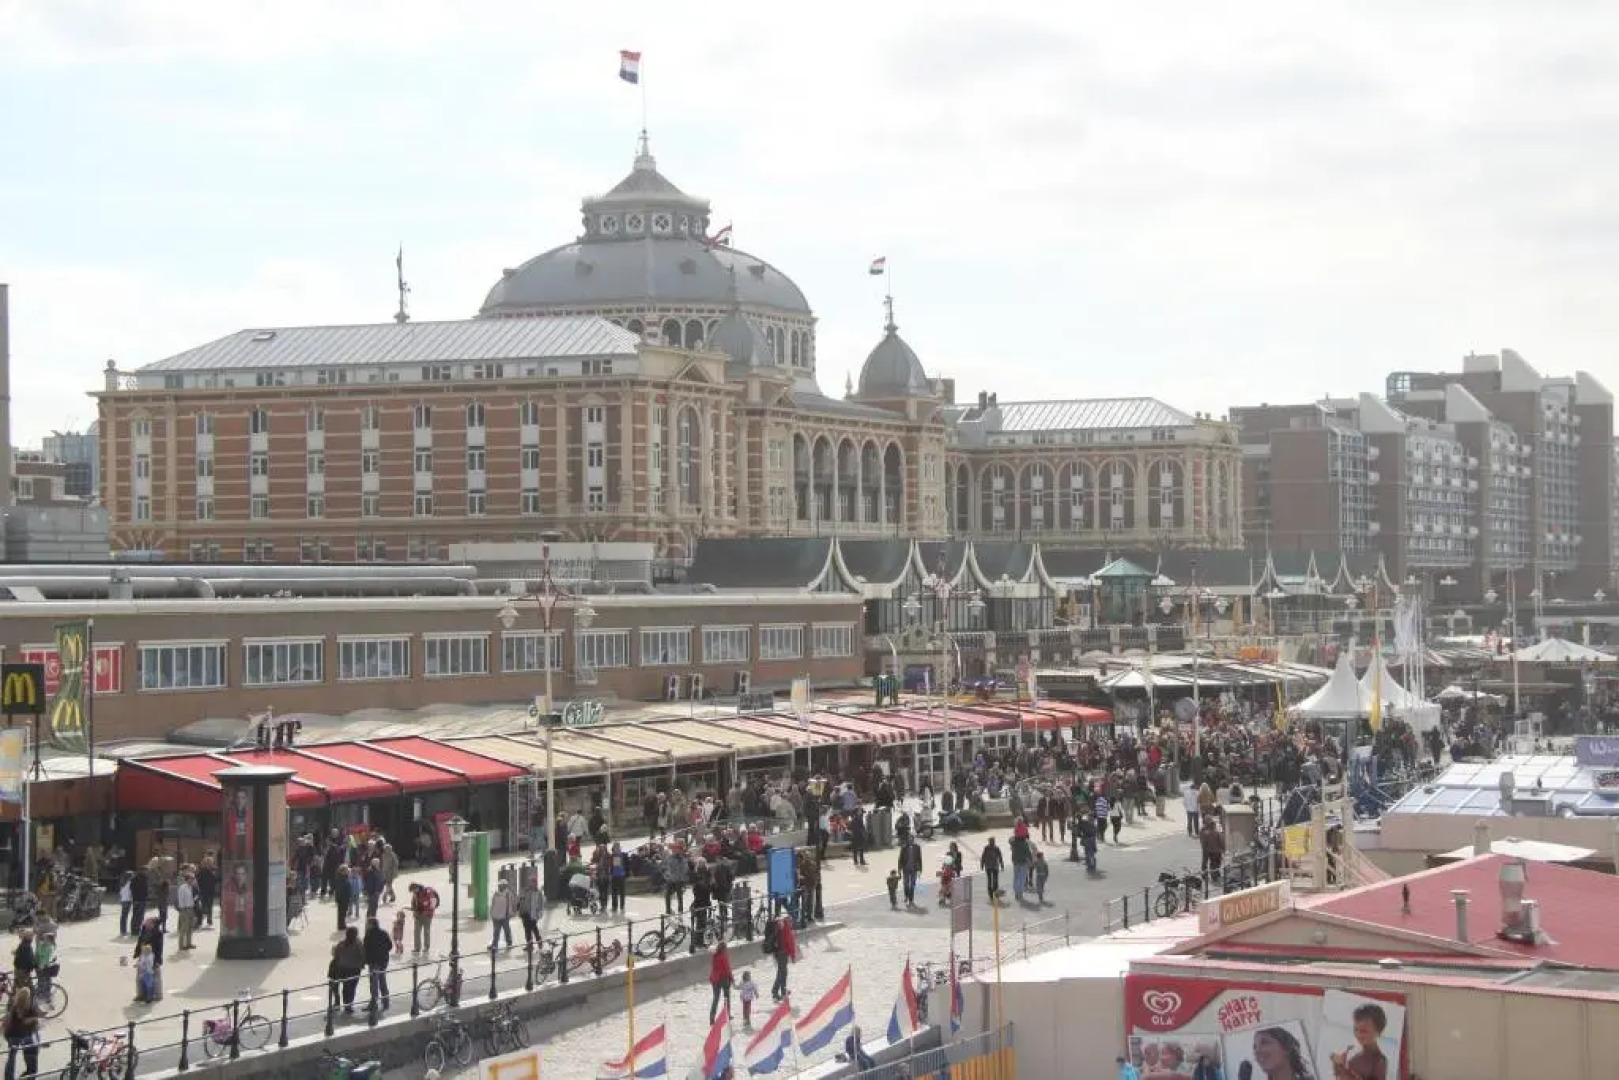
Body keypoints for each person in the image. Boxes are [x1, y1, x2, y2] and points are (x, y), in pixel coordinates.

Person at [1329, 1003, 1389, 1080]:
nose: (1358, 1035)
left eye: (1363, 1031)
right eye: (1355, 1029)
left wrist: (1340, 1068)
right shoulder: (1351, 1050)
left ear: (1378, 1032)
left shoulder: (1379, 1061)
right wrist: (1336, 1065)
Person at [3, 986, 40, 1080]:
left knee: (11, 1057)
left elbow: (9, 1017)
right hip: (25, 1034)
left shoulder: (13, 1004)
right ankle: (30, 1075)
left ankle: (8, 1077)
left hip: (11, 1034)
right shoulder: (30, 1005)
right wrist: (34, 1019)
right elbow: (27, 1021)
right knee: (31, 1054)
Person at [330, 926, 366, 1015]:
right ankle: (348, 1005)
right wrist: (362, 965)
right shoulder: (358, 943)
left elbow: (336, 955)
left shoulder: (342, 943)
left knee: (345, 987)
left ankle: (340, 1003)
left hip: (342, 968)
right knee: (351, 988)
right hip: (354, 969)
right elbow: (362, 955)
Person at [362, 916, 393, 1013]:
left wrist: (366, 960)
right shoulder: (383, 933)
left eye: (368, 924)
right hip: (383, 961)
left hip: (374, 962)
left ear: (371, 925)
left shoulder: (369, 934)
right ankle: (386, 1002)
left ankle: (374, 1003)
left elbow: (365, 949)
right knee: (382, 981)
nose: (366, 925)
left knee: (374, 984)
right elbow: (390, 946)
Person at [708, 940, 733, 1024]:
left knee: (716, 998)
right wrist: (732, 979)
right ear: (724, 949)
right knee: (727, 997)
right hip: (723, 979)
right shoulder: (723, 956)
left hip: (714, 979)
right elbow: (727, 968)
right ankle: (727, 1014)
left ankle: (712, 1017)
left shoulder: (715, 955)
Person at [409, 883, 438, 955]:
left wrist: (428, 912)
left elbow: (433, 903)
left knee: (426, 931)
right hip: (418, 914)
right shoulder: (415, 894)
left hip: (427, 915)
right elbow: (413, 903)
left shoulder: (428, 891)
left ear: (416, 888)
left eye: (413, 891)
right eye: (412, 891)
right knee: (416, 931)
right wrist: (414, 911)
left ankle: (426, 947)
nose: (413, 892)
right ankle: (417, 948)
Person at [897, 835, 923, 907]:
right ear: (907, 840)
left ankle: (911, 899)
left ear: (913, 840)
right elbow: (900, 859)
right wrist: (899, 869)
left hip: (914, 869)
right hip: (906, 869)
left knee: (912, 885)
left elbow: (919, 859)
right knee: (906, 884)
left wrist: (920, 869)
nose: (911, 841)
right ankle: (906, 896)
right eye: (909, 839)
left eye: (912, 839)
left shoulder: (917, 847)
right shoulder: (904, 848)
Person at [490, 880, 515, 950]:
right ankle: (494, 945)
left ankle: (509, 943)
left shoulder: (508, 894)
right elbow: (493, 904)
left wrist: (511, 913)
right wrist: (491, 913)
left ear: (505, 886)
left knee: (507, 931)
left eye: (501, 885)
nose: (500, 887)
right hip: (496, 916)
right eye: (499, 885)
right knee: (496, 932)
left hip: (505, 917)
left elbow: (511, 904)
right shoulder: (496, 894)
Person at [176, 871, 197, 951]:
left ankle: (189, 943)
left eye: (193, 878)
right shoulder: (182, 887)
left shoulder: (192, 887)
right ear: (187, 879)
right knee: (184, 927)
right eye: (192, 878)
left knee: (190, 927)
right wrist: (182, 909)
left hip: (191, 908)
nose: (193, 880)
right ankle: (181, 945)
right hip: (185, 909)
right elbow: (180, 899)